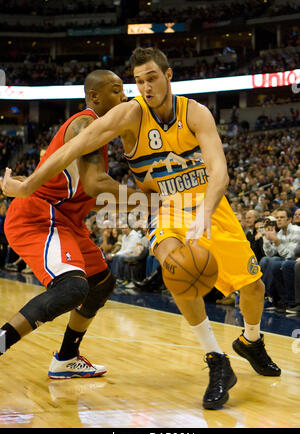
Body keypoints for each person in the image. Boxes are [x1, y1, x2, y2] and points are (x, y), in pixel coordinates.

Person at [1, 48, 281, 410]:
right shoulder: (130, 114)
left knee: (253, 287)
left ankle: (251, 341)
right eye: (138, 81)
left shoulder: (195, 112)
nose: (145, 87)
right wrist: (26, 186)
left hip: (209, 206)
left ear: (168, 75)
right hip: (163, 209)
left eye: (151, 78)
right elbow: (74, 147)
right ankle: (217, 361)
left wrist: (204, 213)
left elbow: (220, 172)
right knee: (175, 266)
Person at [0, 69, 139, 379]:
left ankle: (66, 358)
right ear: (94, 97)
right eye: (116, 91)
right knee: (74, 287)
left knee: (101, 282)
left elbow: (73, 184)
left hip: (65, 220)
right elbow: (95, 183)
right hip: (39, 216)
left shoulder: (98, 130)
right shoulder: (86, 123)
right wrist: (149, 198)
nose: (125, 97)